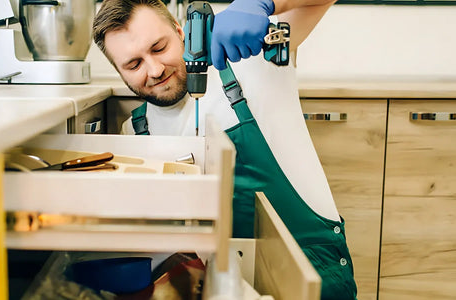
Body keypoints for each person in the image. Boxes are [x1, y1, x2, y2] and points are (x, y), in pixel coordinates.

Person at [93, 0, 357, 299]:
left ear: (181, 31)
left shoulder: (253, 61)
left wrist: (260, 3)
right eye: (134, 64)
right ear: (120, 72)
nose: (154, 70)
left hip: (307, 266)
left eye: (158, 48)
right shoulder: (136, 132)